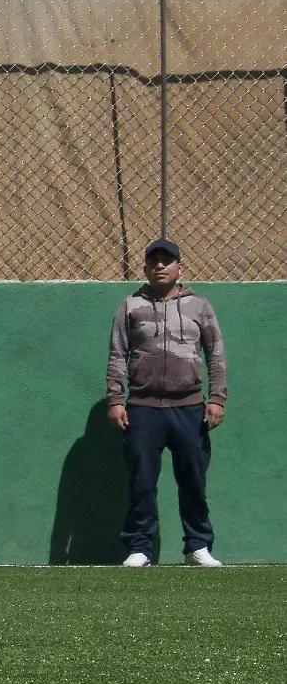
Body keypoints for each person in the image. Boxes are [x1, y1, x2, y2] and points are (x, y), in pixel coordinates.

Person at [107, 238, 227, 567]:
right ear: (145, 267)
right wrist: (116, 399)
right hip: (143, 409)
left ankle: (197, 546)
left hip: (189, 408)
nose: (160, 266)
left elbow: (215, 354)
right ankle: (139, 548)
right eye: (154, 261)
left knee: (193, 480)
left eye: (167, 261)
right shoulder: (130, 305)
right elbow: (118, 353)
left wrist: (216, 398)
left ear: (179, 267)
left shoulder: (199, 305)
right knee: (141, 481)